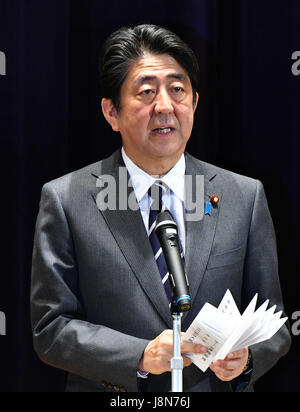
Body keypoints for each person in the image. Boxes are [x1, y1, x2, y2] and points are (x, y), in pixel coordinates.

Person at [31, 24, 291, 392]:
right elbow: (51, 328)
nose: (165, 106)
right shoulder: (67, 199)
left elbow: (275, 323)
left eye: (177, 90)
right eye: (146, 92)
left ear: (194, 104)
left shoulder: (243, 196)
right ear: (111, 112)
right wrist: (140, 354)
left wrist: (247, 360)